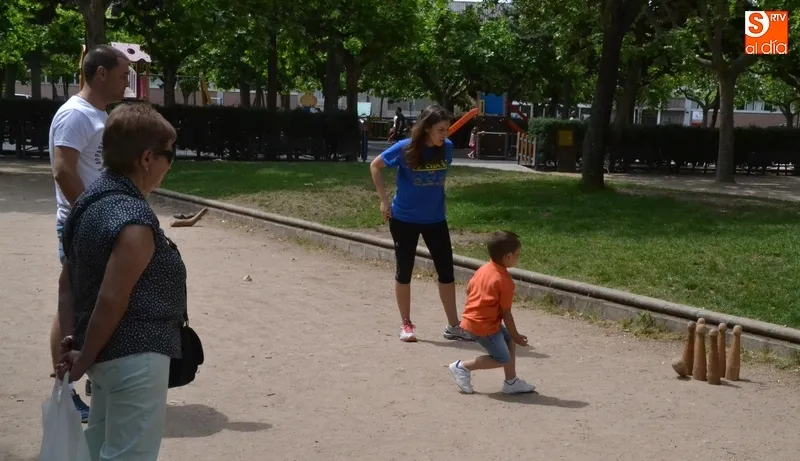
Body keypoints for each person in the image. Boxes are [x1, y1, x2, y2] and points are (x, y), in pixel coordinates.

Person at [55, 102, 185, 460]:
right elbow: (112, 299)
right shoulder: (134, 220)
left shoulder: (85, 204)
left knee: (98, 447)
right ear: (146, 158)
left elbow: (68, 283)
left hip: (105, 358)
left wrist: (73, 343)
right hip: (135, 358)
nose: (170, 164)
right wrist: (82, 357)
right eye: (168, 155)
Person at [48, 43, 130, 422]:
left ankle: (94, 373)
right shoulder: (76, 115)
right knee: (73, 299)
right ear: (101, 74)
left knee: (98, 296)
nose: (127, 80)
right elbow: (63, 170)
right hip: (82, 222)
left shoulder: (97, 114)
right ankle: (64, 390)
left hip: (96, 220)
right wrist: (90, 214)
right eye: (122, 73)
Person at [369, 104, 472, 343]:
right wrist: (384, 201)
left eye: (447, 129)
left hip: (435, 219)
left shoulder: (446, 148)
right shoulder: (405, 148)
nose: (445, 135)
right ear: (426, 128)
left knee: (446, 272)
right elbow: (375, 165)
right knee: (404, 271)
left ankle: (454, 326)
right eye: (440, 129)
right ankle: (406, 324)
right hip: (404, 219)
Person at [447, 231, 536, 394]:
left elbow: (469, 290)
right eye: (518, 254)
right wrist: (516, 334)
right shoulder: (504, 281)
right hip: (484, 327)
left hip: (473, 321)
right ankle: (461, 367)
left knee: (508, 339)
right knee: (502, 358)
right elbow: (506, 313)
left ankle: (511, 381)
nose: (519, 257)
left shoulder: (483, 269)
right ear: (508, 256)